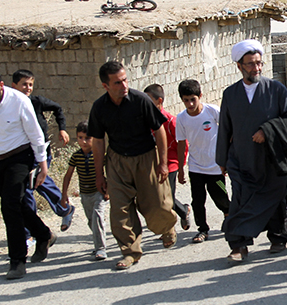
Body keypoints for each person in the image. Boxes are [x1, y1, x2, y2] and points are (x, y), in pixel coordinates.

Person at [87, 60, 177, 271]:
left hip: (146, 158)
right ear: (105, 86)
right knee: (120, 210)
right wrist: (99, 174)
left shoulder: (140, 100)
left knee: (156, 205)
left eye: (125, 80)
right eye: (117, 82)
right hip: (117, 161)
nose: (124, 85)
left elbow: (159, 130)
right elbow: (98, 141)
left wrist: (163, 163)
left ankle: (167, 228)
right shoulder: (99, 108)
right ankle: (130, 252)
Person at [217, 40, 287, 264]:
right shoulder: (230, 94)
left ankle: (278, 236)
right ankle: (238, 245)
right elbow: (224, 128)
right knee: (240, 201)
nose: (256, 68)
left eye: (259, 63)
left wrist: (268, 130)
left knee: (276, 198)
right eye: (251, 64)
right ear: (239, 66)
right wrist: (222, 159)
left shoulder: (276, 89)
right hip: (242, 159)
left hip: (271, 158)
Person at [0, 66, 53, 280]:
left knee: (9, 207)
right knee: (17, 204)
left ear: (1, 86)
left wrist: (43, 165)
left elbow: (36, 134)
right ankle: (43, 234)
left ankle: (17, 260)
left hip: (20, 156)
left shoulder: (19, 101)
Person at [12, 69, 75, 232]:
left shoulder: (36, 102)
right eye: (24, 84)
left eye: (30, 84)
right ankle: (61, 211)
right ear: (14, 86)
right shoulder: (10, 106)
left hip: (40, 150)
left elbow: (57, 108)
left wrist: (62, 129)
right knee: (30, 185)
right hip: (23, 152)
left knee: (33, 183)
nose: (28, 88)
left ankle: (32, 229)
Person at [175, 79, 229, 244]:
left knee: (220, 196)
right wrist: (181, 169)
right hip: (196, 167)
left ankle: (229, 214)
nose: (190, 104)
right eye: (186, 100)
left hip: (215, 166)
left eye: (193, 99)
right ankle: (202, 229)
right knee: (197, 201)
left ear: (200, 96)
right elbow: (181, 143)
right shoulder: (182, 118)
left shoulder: (212, 111)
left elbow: (228, 129)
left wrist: (227, 158)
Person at [143, 84, 191, 231]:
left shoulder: (170, 121)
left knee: (165, 197)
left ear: (159, 101)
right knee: (158, 196)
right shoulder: (146, 121)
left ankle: (169, 228)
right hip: (153, 164)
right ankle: (183, 210)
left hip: (170, 164)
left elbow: (183, 145)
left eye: (149, 100)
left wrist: (180, 166)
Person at [60, 121, 109, 260]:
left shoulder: (100, 155)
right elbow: (68, 176)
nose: (84, 141)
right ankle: (98, 242)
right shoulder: (76, 156)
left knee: (97, 217)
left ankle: (100, 248)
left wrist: (108, 191)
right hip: (85, 194)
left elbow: (109, 172)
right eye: (80, 138)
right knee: (91, 220)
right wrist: (64, 195)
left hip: (98, 192)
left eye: (87, 138)